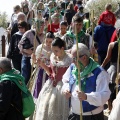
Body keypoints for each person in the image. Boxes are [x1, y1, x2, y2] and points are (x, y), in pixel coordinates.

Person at [62, 43, 111, 120]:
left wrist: (87, 97)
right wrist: (66, 89)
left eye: (74, 59)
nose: (73, 62)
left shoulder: (99, 72)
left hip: (92, 116)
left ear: (84, 58)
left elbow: (104, 95)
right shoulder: (72, 68)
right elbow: (65, 81)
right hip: (75, 114)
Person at [35, 37, 73, 120]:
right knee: (45, 105)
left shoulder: (69, 59)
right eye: (53, 51)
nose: (54, 53)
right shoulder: (53, 56)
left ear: (62, 48)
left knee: (57, 107)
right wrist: (41, 64)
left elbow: (73, 75)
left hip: (63, 87)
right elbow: (50, 72)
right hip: (50, 84)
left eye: (56, 51)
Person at [18, 19, 45, 84]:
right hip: (27, 58)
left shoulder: (44, 35)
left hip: (38, 60)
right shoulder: (28, 33)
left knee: (35, 79)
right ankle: (23, 92)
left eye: (43, 26)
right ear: (35, 26)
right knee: (25, 77)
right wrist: (26, 50)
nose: (41, 28)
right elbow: (20, 45)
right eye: (40, 26)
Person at [32, 32, 55, 100]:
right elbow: (35, 63)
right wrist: (34, 59)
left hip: (51, 71)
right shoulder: (40, 48)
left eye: (50, 42)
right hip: (41, 71)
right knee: (39, 87)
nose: (48, 43)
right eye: (46, 41)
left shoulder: (54, 49)